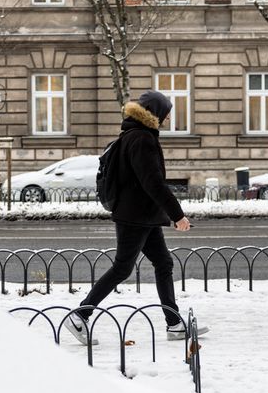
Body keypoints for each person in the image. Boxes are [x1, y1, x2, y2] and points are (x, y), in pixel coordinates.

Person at [65, 90, 209, 345]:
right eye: (165, 114)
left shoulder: (131, 135)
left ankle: (174, 323)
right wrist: (178, 215)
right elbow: (152, 183)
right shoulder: (142, 139)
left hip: (143, 215)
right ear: (156, 114)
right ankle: (80, 315)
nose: (167, 119)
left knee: (163, 263)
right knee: (122, 267)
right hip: (135, 216)